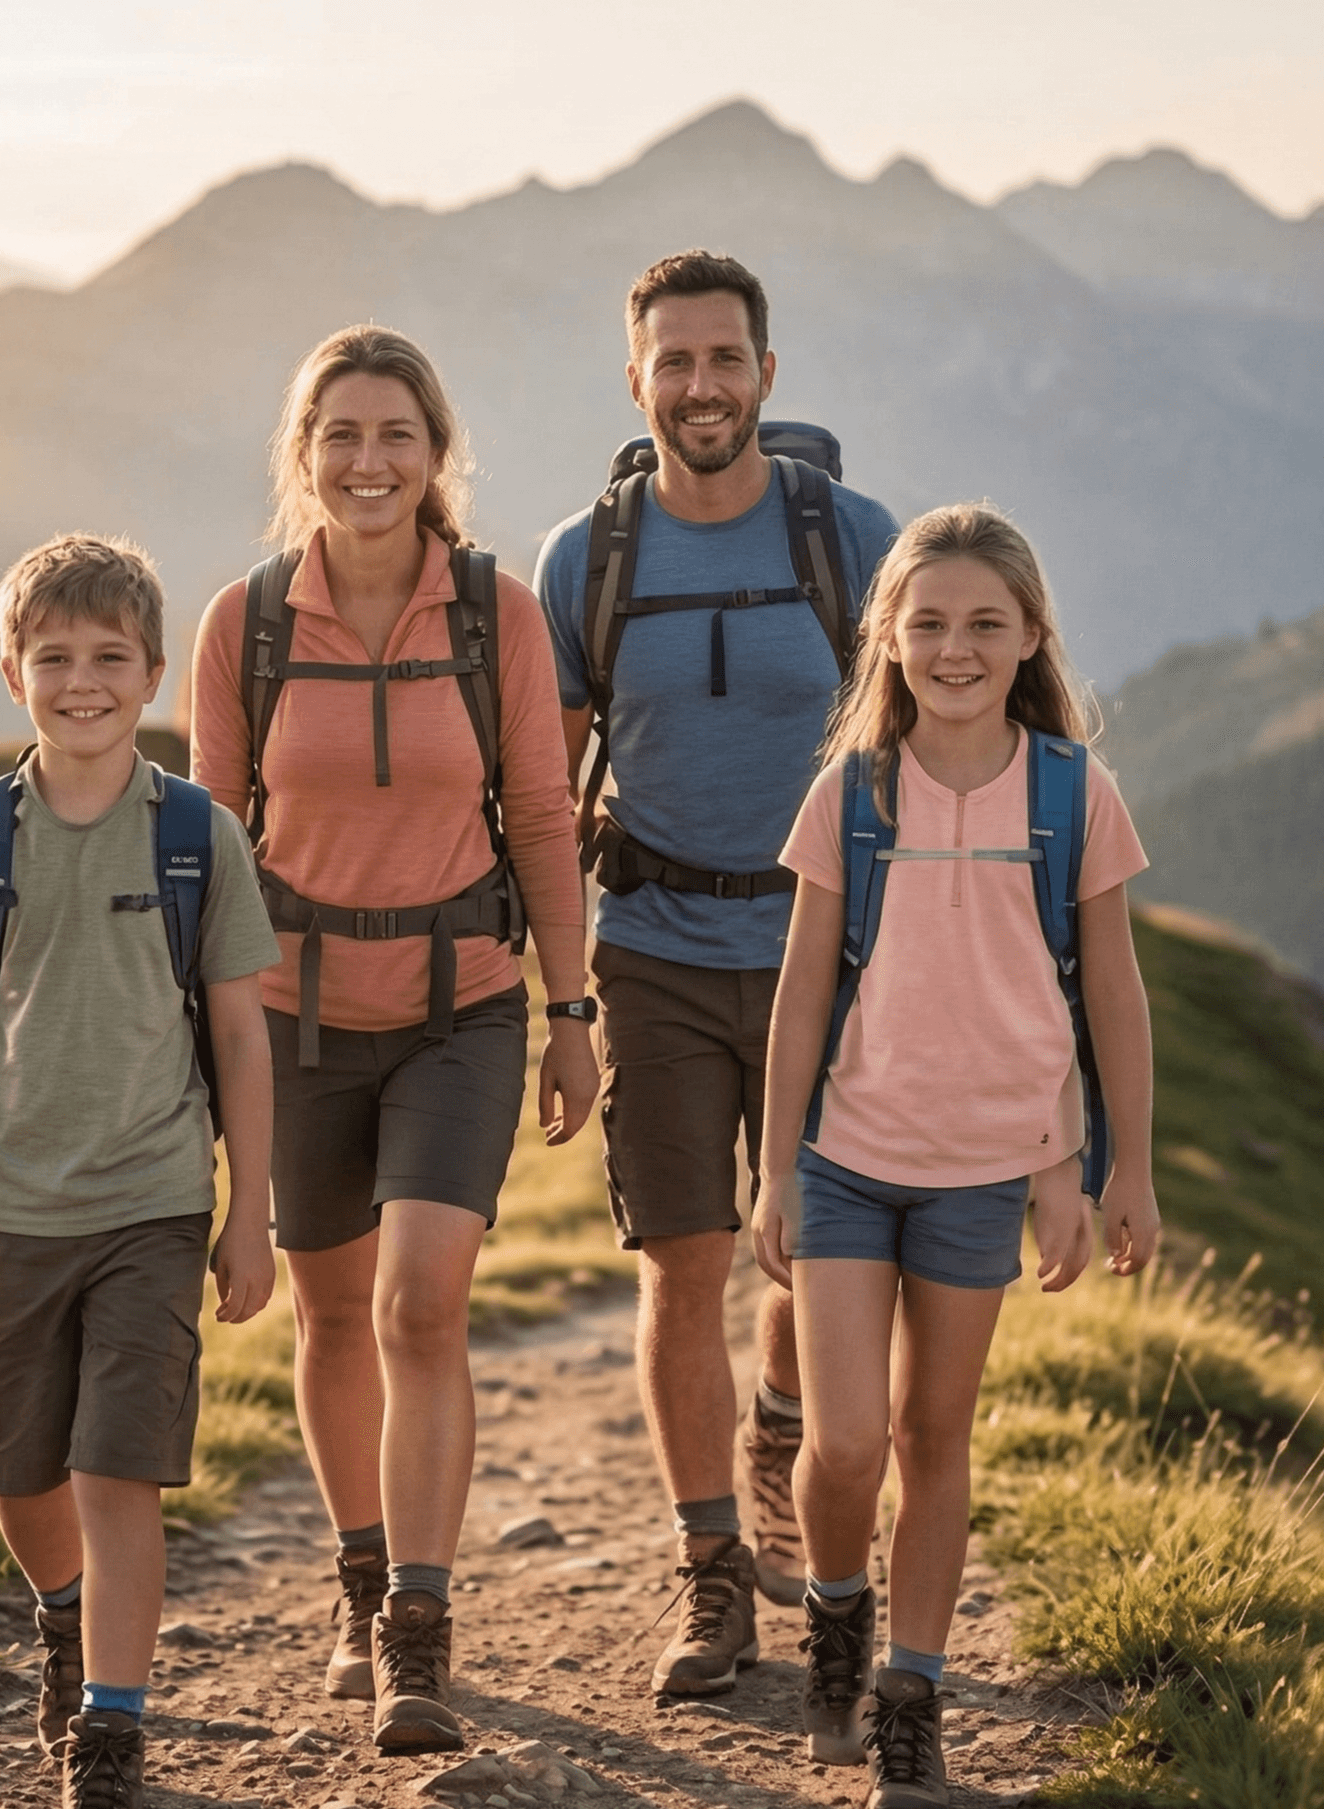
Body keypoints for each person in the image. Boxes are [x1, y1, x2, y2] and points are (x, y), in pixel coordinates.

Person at [192, 326, 598, 1753]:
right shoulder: (244, 623)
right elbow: (215, 843)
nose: (368, 463)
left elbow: (544, 818)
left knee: (419, 1300)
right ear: (303, 456)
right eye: (341, 437)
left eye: (396, 437)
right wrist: (205, 1031)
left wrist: (572, 1007)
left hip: (461, 1007)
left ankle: (419, 1627)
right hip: (293, 1020)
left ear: (437, 456)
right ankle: (360, 1578)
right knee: (326, 1311)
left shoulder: (498, 615)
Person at [754, 503, 1159, 1807]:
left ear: (1031, 633)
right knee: (851, 1438)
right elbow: (802, 991)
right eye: (925, 622)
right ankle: (835, 1611)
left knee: (938, 1431)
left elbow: (1108, 988)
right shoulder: (851, 794)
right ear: (887, 637)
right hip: (848, 1158)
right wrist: (771, 1167)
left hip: (988, 1167)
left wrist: (1113, 1165)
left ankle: (911, 1694)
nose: (954, 646)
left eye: (985, 621)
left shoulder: (1070, 793)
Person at [535, 250, 899, 1696]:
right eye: (672, 361)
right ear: (637, 379)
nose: (701, 384)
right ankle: (707, 1578)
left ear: (765, 370)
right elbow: (548, 792)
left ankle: (775, 1434)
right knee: (684, 1260)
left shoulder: (853, 538)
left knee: (806, 1257)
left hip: (829, 953)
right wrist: (559, 999)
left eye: (724, 358)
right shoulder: (588, 558)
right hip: (656, 956)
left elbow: (920, 746)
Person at [0, 535, 281, 1809]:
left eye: (110, 658)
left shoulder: (194, 835)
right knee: (20, 1473)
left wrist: (248, 1219)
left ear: (152, 672)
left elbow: (236, 1031)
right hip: (10, 1210)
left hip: (155, 1205)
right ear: (13, 674)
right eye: (53, 658)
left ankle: (110, 1728)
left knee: (119, 1467)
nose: (82, 682)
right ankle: (63, 1618)